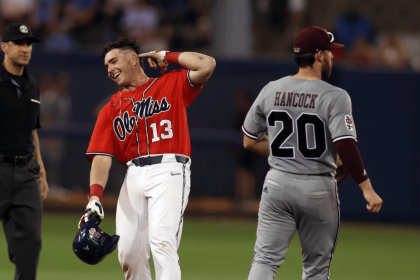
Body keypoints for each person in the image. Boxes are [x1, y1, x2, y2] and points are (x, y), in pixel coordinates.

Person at [242, 25, 383, 279]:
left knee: (264, 261)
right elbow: (345, 145)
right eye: (329, 51)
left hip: (277, 184)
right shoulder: (336, 96)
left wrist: (290, 154)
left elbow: (249, 141)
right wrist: (366, 188)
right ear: (318, 55)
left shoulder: (271, 89)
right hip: (317, 188)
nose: (332, 56)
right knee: (316, 270)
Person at [78, 37, 216, 280]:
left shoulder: (171, 84)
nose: (109, 68)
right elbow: (101, 156)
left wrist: (167, 55)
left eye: (113, 61)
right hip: (134, 175)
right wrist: (94, 196)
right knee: (128, 252)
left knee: (163, 242)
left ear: (133, 59)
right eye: (106, 66)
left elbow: (206, 64)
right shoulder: (110, 109)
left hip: (170, 169)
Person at [0, 23, 49, 280]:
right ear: (4, 47)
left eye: (28, 43)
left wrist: (41, 171)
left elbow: (33, 130)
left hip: (26, 173)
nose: (25, 49)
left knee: (30, 246)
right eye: (19, 43)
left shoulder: (32, 85)